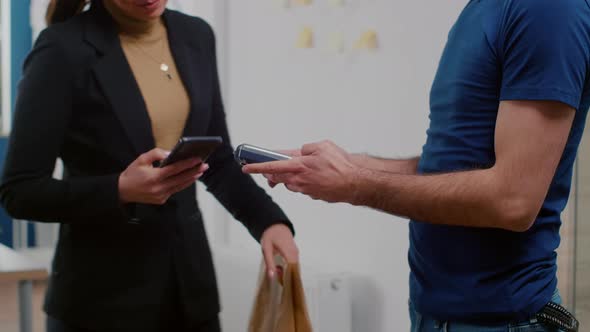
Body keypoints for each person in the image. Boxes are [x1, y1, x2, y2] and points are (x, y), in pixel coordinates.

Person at [244, 0, 590, 331]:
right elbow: (451, 166)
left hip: (501, 321)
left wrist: (355, 184)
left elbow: (513, 201)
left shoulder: (546, 7)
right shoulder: (482, 9)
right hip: (434, 315)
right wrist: (350, 167)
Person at [0, 0, 299, 331]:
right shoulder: (61, 49)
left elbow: (216, 160)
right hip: (99, 301)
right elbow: (20, 191)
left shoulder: (196, 35)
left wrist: (269, 222)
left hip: (189, 291)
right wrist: (120, 190)